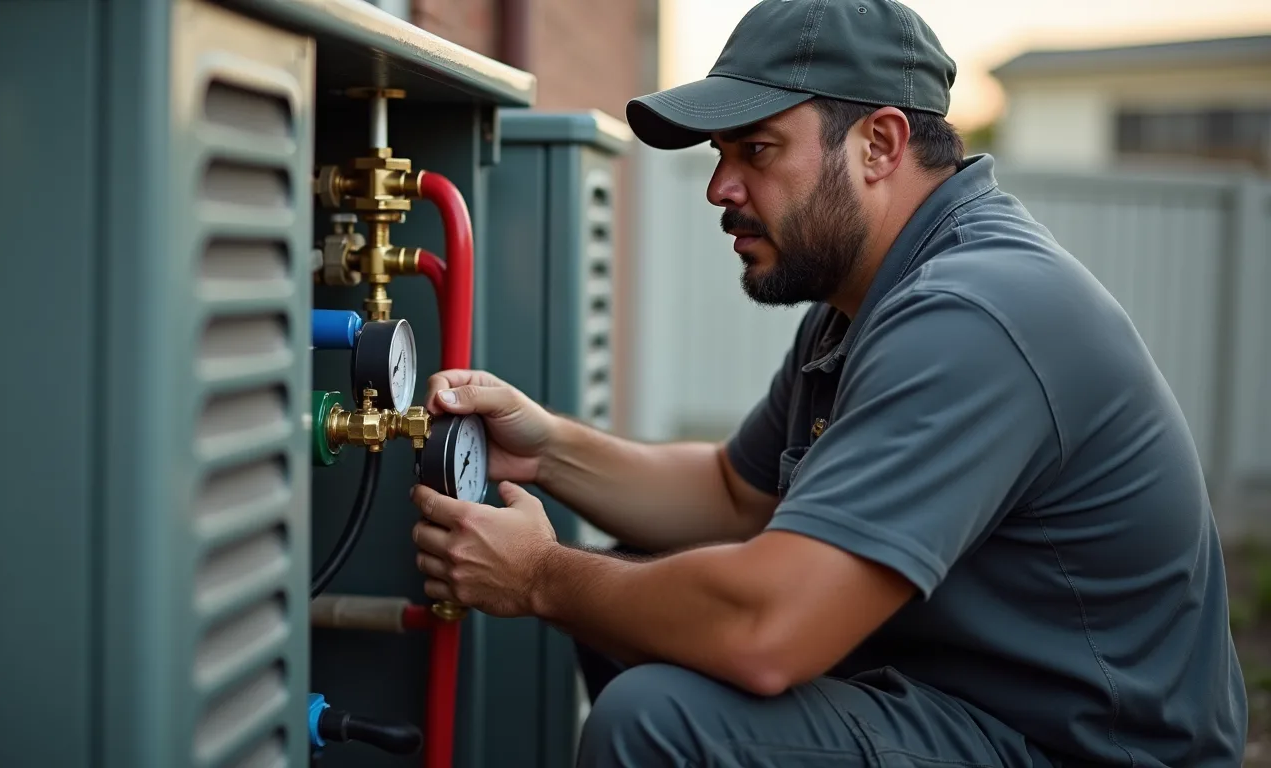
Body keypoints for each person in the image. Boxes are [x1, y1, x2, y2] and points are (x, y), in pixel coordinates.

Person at [408, 1, 1249, 765]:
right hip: (964, 708)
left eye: (757, 150)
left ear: (878, 144)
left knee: (659, 715)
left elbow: (766, 630)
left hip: (1081, 750)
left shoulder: (975, 315)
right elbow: (735, 493)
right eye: (719, 155)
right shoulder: (864, 304)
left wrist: (541, 577)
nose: (719, 189)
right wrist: (550, 450)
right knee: (644, 594)